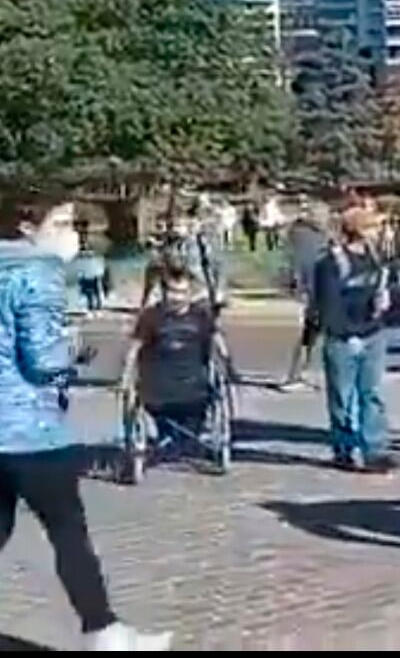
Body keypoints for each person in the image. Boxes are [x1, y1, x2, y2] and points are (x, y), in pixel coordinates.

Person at [0, 193, 172, 650]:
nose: (73, 233)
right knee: (67, 531)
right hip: (31, 430)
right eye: (62, 222)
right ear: (26, 227)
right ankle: (104, 631)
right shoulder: (36, 272)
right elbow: (41, 359)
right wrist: (73, 350)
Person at [313, 201, 397, 473]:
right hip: (344, 338)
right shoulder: (331, 263)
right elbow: (329, 305)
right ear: (359, 230)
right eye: (373, 226)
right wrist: (347, 334)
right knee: (343, 396)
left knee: (371, 394)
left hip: (373, 332)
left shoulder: (376, 257)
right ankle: (345, 448)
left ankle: (375, 449)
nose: (379, 231)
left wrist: (385, 302)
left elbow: (385, 288)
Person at [121, 258, 231, 450]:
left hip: (194, 388)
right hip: (158, 392)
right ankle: (172, 434)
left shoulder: (201, 316)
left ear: (190, 293)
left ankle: (177, 435)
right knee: (172, 422)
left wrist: (227, 364)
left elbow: (218, 341)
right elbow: (134, 349)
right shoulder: (151, 317)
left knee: (189, 422)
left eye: (182, 292)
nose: (177, 297)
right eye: (172, 292)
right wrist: (125, 378)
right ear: (163, 292)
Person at [282, 200, 330, 391]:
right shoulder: (306, 236)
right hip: (310, 289)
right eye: (324, 215)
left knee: (312, 332)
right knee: (305, 333)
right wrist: (303, 290)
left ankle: (303, 372)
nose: (327, 218)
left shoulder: (311, 234)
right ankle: (294, 375)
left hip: (314, 288)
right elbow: (303, 265)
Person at [71, 238, 108, 315]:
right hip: (91, 275)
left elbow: (77, 266)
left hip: (88, 275)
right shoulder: (91, 255)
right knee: (93, 293)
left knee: (90, 293)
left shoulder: (80, 256)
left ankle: (93, 307)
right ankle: (95, 307)